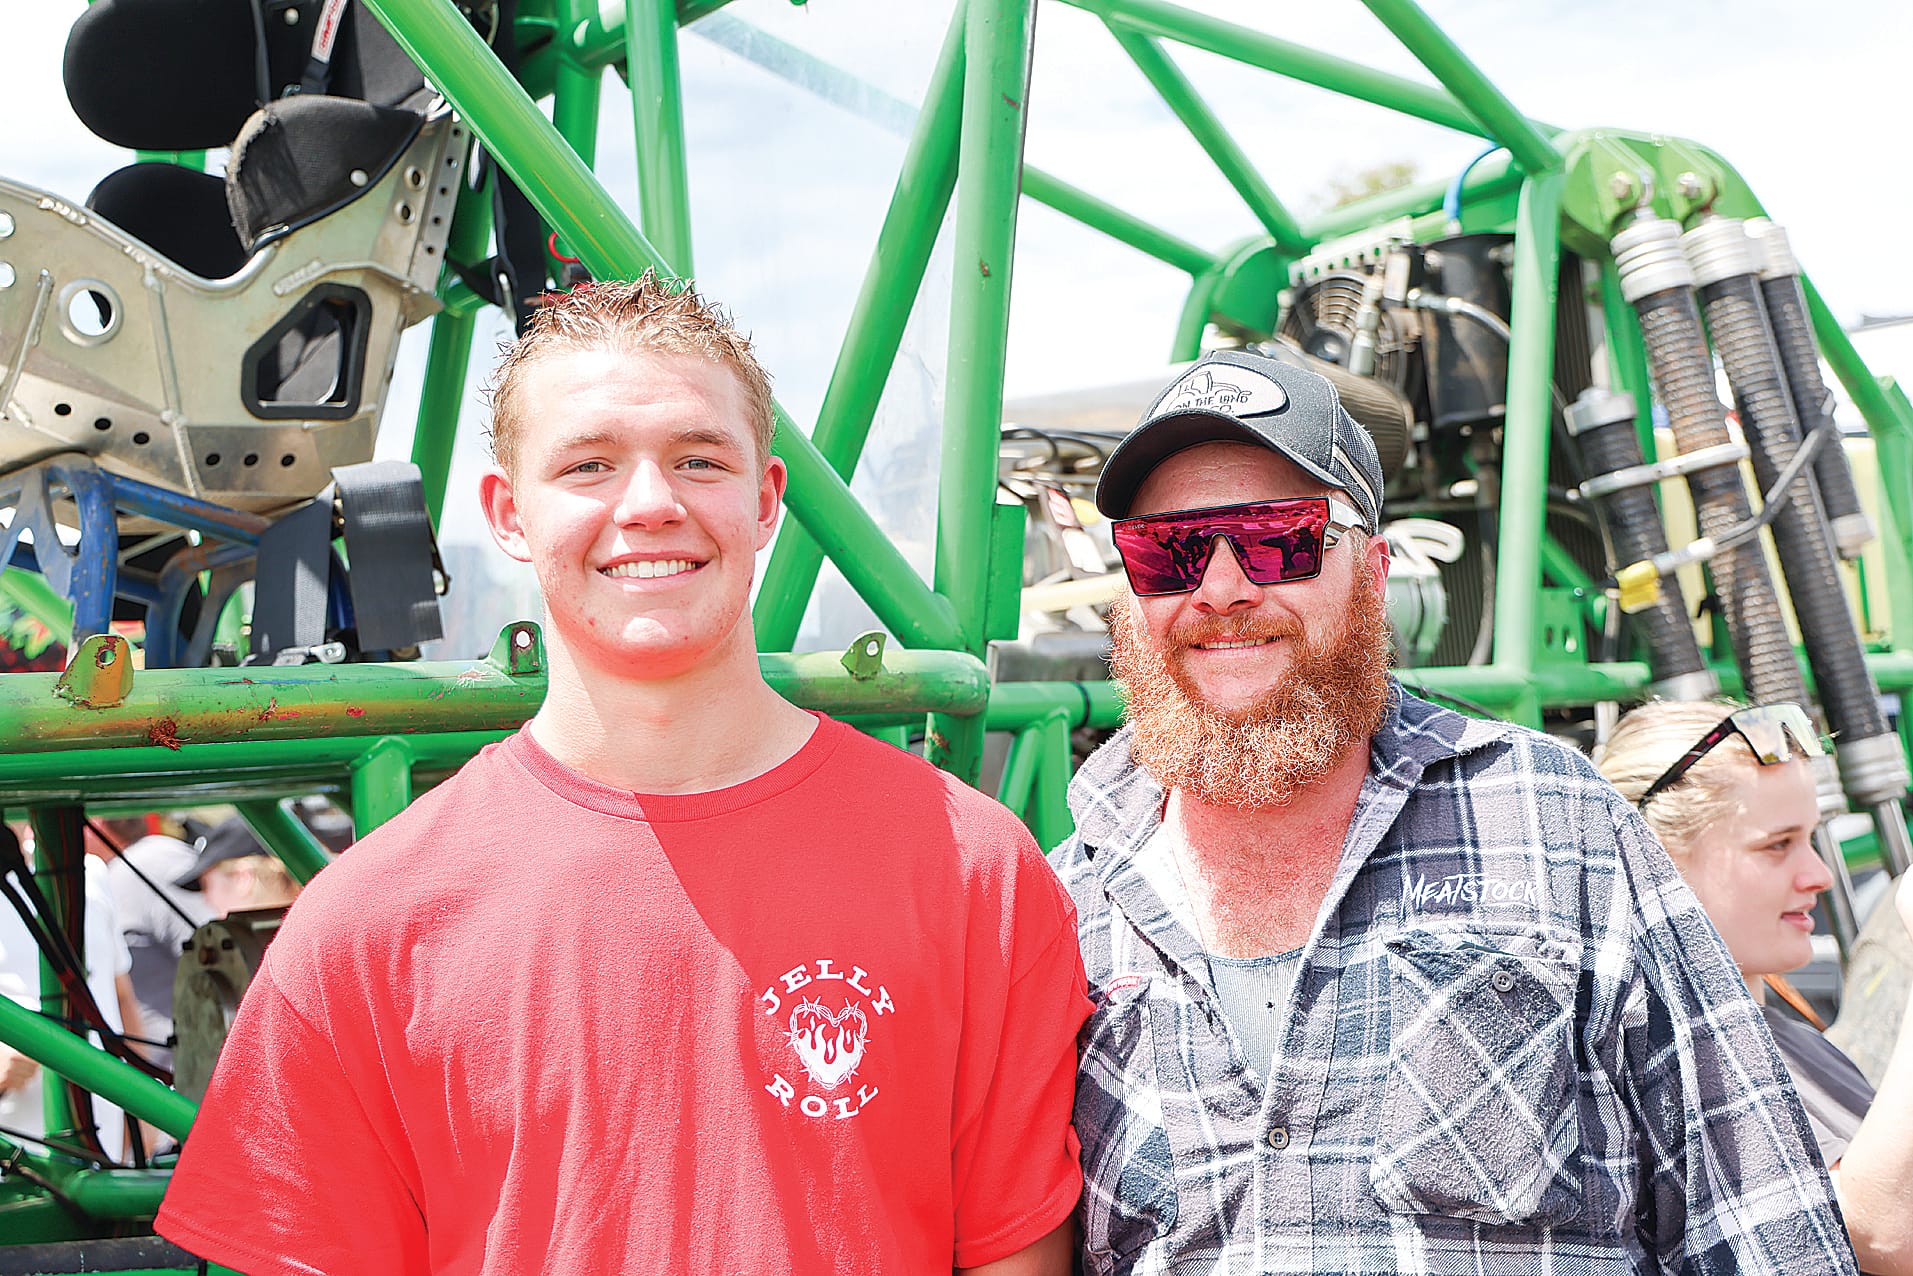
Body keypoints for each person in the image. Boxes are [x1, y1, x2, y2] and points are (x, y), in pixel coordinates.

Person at [156, 274, 1089, 1275]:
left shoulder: (969, 870)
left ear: (765, 500)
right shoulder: (368, 925)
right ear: (509, 514)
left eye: (697, 459)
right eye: (589, 465)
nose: (649, 504)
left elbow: (1014, 1255)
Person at [1055, 348, 1854, 1274]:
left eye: (1280, 537)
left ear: (1373, 568)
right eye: (1171, 550)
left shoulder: (1552, 821)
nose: (1223, 588)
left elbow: (1755, 1215)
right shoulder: (1064, 897)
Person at [1598, 700, 1913, 1275]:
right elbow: (1881, 1230)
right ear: (1655, 861)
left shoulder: (1779, 1035)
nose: (1818, 874)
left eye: (1811, 839)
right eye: (1777, 844)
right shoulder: (1679, 1060)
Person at [93, 816, 211, 1071]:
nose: (29, 835)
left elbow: (216, 956)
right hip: (151, 1079)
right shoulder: (104, 875)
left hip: (191, 1080)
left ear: (98, 823)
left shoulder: (151, 861)